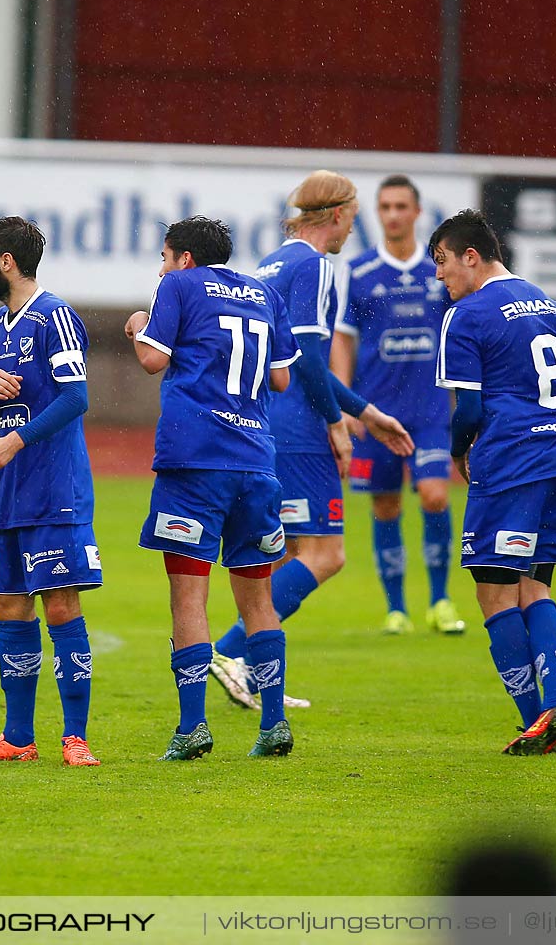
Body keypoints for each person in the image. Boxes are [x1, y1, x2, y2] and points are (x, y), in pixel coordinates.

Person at [208, 170, 415, 710]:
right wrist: (337, 423)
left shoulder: (269, 264)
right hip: (298, 428)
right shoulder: (316, 265)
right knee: (326, 554)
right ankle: (229, 651)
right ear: (341, 214)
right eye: (355, 216)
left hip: (260, 420)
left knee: (283, 554)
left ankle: (255, 675)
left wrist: (366, 413)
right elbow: (306, 357)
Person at [432, 209, 556, 755]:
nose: (439, 276)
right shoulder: (549, 305)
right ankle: (554, 707)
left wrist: (460, 452)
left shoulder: (466, 315)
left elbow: (468, 409)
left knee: (493, 596)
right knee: (536, 588)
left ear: (471, 256)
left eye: (442, 262)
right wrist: (547, 411)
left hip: (508, 466)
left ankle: (537, 720)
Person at [125, 216, 301, 759]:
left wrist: (138, 326)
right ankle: (273, 725)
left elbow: (153, 360)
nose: (161, 267)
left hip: (195, 461)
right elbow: (280, 378)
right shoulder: (264, 292)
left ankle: (192, 728)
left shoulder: (177, 286)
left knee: (189, 595)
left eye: (164, 256)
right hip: (256, 462)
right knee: (258, 596)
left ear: (183, 258)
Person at [0, 216, 101, 766]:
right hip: (7, 495)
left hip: (54, 492)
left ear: (6, 262)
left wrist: (14, 440)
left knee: (61, 605)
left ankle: (75, 738)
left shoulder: (55, 317)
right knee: (8, 606)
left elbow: (75, 398)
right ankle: (17, 738)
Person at [332, 174, 466, 636]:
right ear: (378, 213)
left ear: (417, 212)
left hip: (430, 412)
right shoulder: (360, 272)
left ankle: (441, 599)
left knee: (434, 495)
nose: (392, 215)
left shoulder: (441, 272)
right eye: (384, 207)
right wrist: (347, 403)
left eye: (400, 206)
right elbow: (343, 342)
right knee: (386, 507)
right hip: (376, 412)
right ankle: (396, 609)